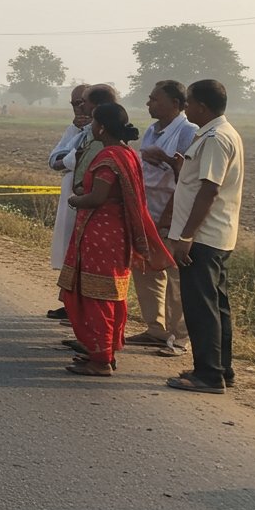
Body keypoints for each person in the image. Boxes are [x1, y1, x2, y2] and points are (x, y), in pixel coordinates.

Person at [58, 103, 172, 376]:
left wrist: (75, 200)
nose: (92, 127)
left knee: (96, 297)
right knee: (110, 297)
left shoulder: (108, 157)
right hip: (115, 236)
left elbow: (98, 197)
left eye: (94, 122)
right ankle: (104, 351)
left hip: (101, 236)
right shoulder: (127, 154)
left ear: (102, 127)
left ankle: (100, 359)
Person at [164, 80, 245, 395]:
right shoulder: (220, 134)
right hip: (215, 235)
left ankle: (208, 375)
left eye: (189, 102)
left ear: (202, 106)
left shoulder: (215, 138)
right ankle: (222, 368)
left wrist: (186, 235)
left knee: (201, 307)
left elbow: (209, 190)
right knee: (216, 305)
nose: (186, 107)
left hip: (203, 236)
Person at [125, 80, 197, 355]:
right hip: (147, 209)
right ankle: (155, 328)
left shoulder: (187, 131)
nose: (149, 104)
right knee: (146, 270)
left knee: (175, 277)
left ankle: (179, 337)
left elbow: (187, 177)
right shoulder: (152, 130)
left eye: (155, 99)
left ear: (175, 104)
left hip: (171, 212)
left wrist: (167, 160)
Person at [46, 85, 92, 319]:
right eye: (74, 104)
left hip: (90, 198)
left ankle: (81, 307)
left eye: (82, 103)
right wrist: (68, 158)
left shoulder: (100, 131)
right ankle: (69, 302)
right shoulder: (73, 129)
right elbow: (54, 160)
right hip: (70, 195)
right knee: (69, 249)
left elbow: (75, 158)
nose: (78, 109)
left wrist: (68, 159)